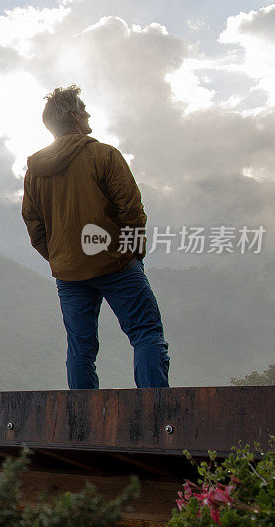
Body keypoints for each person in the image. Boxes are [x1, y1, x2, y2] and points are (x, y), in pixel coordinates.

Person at [21, 84, 170, 389]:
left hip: (70, 274)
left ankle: (81, 424)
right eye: (84, 107)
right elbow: (131, 209)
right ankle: (156, 411)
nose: (88, 112)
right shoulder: (103, 155)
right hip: (116, 265)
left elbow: (34, 225)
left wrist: (61, 256)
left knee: (80, 350)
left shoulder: (35, 171)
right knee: (146, 333)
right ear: (74, 115)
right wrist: (132, 252)